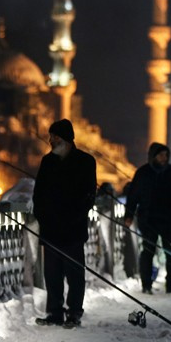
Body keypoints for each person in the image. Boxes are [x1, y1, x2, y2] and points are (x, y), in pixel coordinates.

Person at [33, 119, 97, 328]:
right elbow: (39, 195)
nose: (50, 140)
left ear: (66, 139)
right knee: (52, 274)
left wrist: (73, 217)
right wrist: (43, 216)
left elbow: (88, 195)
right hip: (50, 229)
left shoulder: (85, 161)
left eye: (55, 137)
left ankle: (74, 312)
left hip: (72, 229)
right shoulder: (47, 162)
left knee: (74, 273)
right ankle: (55, 312)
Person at [123, 143, 171, 295]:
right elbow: (133, 196)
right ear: (153, 156)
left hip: (170, 221)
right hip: (148, 220)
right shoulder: (143, 173)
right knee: (147, 252)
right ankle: (146, 284)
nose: (164, 158)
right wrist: (129, 215)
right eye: (161, 155)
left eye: (166, 155)